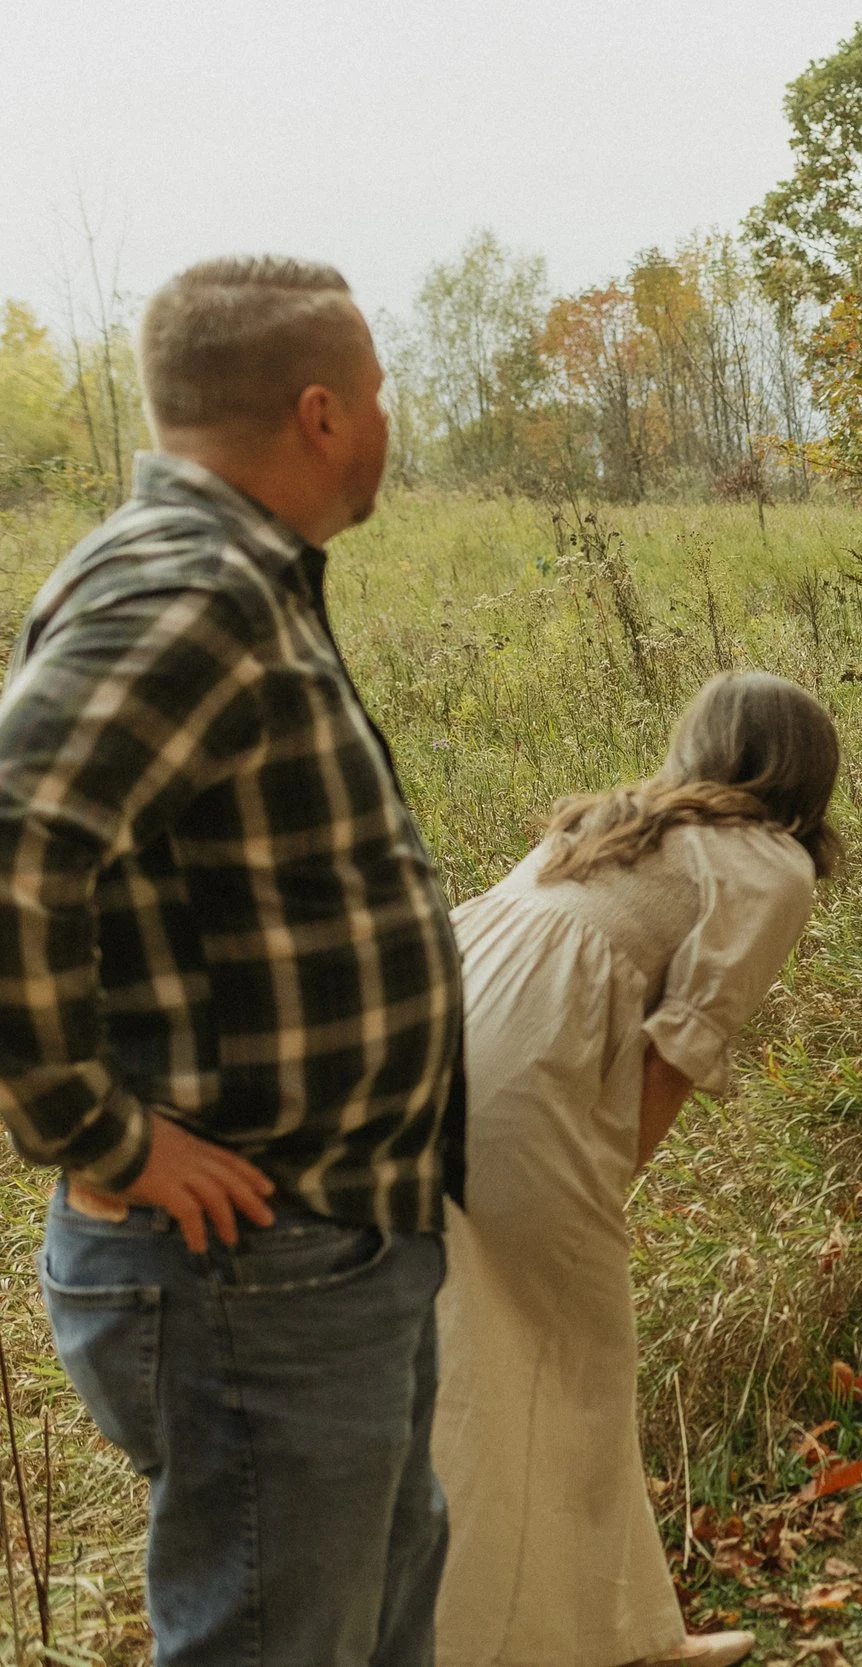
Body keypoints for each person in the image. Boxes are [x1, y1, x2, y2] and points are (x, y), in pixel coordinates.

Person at [0, 257, 465, 1663]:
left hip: (317, 1250)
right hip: (245, 1271)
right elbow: (14, 835)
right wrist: (102, 1135)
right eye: (378, 392)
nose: (389, 417)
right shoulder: (195, 586)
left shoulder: (235, 577)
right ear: (321, 411)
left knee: (362, 1618)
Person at [432, 671, 837, 1667]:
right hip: (521, 1074)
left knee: (468, 1356)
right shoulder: (771, 862)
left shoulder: (613, 818)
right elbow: (680, 1046)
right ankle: (576, 1643)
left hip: (421, 1042)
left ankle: (603, 1632)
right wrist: (613, 1175)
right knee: (577, 1357)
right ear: (810, 770)